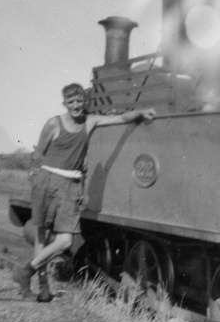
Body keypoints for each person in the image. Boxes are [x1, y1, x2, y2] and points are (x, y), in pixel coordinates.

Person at [12, 83, 155, 301]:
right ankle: (42, 287)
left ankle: (25, 272)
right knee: (42, 236)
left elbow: (121, 118)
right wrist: (36, 179)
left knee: (65, 241)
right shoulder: (54, 124)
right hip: (48, 180)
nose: (76, 105)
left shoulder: (90, 121)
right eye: (71, 102)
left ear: (84, 101)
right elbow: (38, 154)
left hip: (71, 185)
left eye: (79, 101)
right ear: (65, 103)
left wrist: (141, 112)